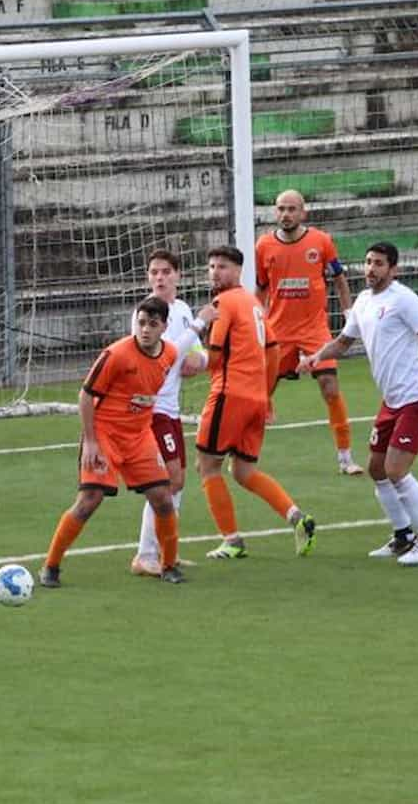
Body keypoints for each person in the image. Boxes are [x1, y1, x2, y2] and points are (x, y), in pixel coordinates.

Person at [306, 242, 418, 564]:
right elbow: (344, 342)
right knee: (376, 469)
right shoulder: (363, 301)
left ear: (393, 269)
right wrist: (317, 357)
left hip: (417, 397)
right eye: (368, 262)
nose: (371, 269)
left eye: (379, 263)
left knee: (396, 470)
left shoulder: (404, 299)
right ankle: (402, 536)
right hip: (391, 401)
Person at [39, 297, 184, 587]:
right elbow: (85, 397)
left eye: (152, 325)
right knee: (89, 500)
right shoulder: (116, 355)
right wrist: (91, 442)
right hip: (105, 434)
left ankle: (168, 565)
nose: (145, 330)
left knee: (163, 498)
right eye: (141, 323)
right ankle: (51, 566)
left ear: (164, 327)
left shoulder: (170, 354)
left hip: (140, 436)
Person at [193, 244, 318, 559]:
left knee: (207, 466)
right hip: (255, 398)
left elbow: (215, 356)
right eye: (211, 266)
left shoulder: (223, 304)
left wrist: (184, 358)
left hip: (228, 394)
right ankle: (297, 518)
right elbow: (273, 350)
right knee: (244, 471)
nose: (215, 272)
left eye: (222, 266)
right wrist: (266, 393)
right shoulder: (253, 304)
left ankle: (232, 540)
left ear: (237, 272)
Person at [255, 189, 361, 476]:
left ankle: (346, 458)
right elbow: (262, 288)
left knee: (330, 387)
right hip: (279, 331)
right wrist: (256, 322)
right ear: (275, 213)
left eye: (292, 209)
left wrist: (349, 313)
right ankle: (243, 452)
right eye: (281, 209)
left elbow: (339, 279)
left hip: (315, 330)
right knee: (260, 395)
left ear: (303, 212)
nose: (286, 214)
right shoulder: (264, 246)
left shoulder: (321, 242)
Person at [129, 250, 209, 578]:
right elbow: (164, 355)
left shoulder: (182, 310)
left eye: (165, 271)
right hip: (152, 409)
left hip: (171, 409)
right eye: (153, 272)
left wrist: (199, 362)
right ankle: (145, 555)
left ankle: (164, 551)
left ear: (178, 275)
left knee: (177, 483)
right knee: (167, 482)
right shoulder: (144, 313)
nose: (159, 278)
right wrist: (202, 325)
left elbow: (197, 355)